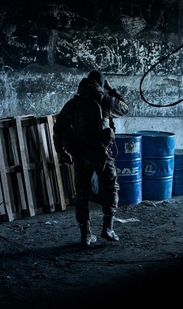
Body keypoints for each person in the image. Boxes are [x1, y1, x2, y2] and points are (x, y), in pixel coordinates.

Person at [53, 70, 129, 247]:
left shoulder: (74, 103)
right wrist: (112, 89)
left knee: (82, 193)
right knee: (111, 188)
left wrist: (61, 152)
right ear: (101, 84)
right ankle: (108, 228)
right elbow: (125, 108)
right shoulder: (106, 100)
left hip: (81, 153)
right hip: (102, 153)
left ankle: (86, 234)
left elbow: (58, 129)